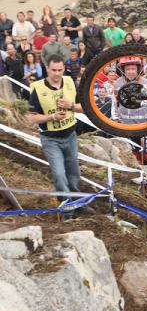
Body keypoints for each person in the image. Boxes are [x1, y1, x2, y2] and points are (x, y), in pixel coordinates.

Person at [27, 54, 92, 220]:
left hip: (70, 135)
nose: (57, 73)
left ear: (64, 69)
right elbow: (32, 117)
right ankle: (67, 211)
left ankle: (79, 202)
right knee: (59, 175)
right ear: (47, 69)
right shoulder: (38, 88)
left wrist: (70, 105)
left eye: (60, 70)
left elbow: (84, 107)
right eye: (53, 70)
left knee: (74, 173)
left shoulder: (70, 82)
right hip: (50, 139)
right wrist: (52, 117)